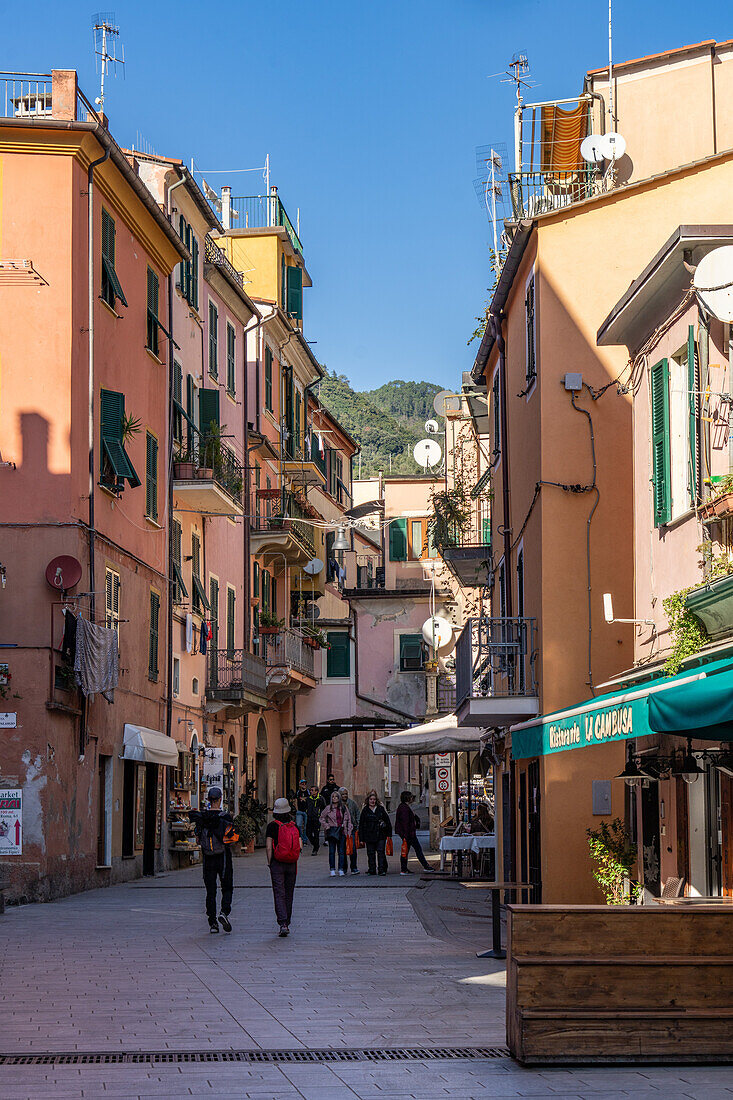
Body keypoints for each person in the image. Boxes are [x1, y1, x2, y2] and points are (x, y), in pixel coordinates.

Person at [188, 786, 235, 933]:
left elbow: (197, 839)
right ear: (220, 799)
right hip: (223, 856)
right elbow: (232, 839)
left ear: (208, 800)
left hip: (208, 857)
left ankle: (212, 922)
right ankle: (224, 912)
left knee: (211, 890)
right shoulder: (225, 817)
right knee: (227, 887)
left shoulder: (202, 818)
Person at [266, 796, 302, 936]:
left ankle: (283, 923)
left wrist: (270, 862)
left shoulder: (272, 826)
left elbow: (269, 847)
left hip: (277, 863)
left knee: (279, 892)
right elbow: (299, 846)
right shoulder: (293, 825)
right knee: (289, 893)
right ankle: (287, 920)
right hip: (292, 863)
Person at [395, 790, 434, 876]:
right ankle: (425, 866)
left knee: (407, 850)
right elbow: (405, 822)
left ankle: (404, 868)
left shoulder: (404, 807)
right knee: (416, 849)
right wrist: (406, 835)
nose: (412, 798)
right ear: (407, 798)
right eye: (411, 797)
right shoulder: (404, 808)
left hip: (408, 833)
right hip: (409, 834)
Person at [358, 789, 392, 876]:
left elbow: (387, 821)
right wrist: (361, 838)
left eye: (374, 799)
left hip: (380, 834)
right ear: (368, 800)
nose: (372, 801)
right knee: (370, 853)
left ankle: (381, 869)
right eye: (371, 799)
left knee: (380, 852)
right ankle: (372, 869)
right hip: (369, 835)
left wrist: (389, 834)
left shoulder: (380, 809)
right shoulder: (365, 810)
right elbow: (361, 824)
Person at [319, 789, 353, 877]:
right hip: (332, 831)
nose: (334, 798)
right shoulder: (328, 808)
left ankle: (341, 869)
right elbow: (321, 817)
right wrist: (327, 826)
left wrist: (348, 831)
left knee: (341, 851)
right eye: (333, 797)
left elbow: (349, 819)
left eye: (336, 797)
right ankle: (332, 869)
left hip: (342, 831)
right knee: (332, 851)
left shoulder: (343, 808)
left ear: (339, 798)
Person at [339, 787, 361, 874]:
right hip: (341, 830)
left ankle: (354, 868)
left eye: (346, 794)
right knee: (342, 850)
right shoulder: (338, 804)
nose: (344, 796)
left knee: (353, 849)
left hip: (351, 829)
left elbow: (357, 814)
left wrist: (358, 826)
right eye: (343, 794)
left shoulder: (352, 803)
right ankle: (344, 868)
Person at [305, 785, 325, 854]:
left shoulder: (321, 798)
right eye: (310, 790)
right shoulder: (308, 799)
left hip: (317, 818)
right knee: (308, 833)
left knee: (316, 834)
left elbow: (324, 807)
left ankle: (315, 849)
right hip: (309, 818)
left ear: (316, 791)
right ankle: (316, 845)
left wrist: (320, 814)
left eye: (312, 790)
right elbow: (306, 807)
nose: (311, 791)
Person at [294, 779, 309, 843]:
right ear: (300, 785)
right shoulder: (298, 792)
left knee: (306, 826)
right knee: (299, 825)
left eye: (305, 784)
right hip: (299, 811)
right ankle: (301, 838)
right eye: (302, 784)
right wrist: (297, 809)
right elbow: (295, 801)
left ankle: (305, 839)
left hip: (306, 811)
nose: (304, 785)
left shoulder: (308, 792)